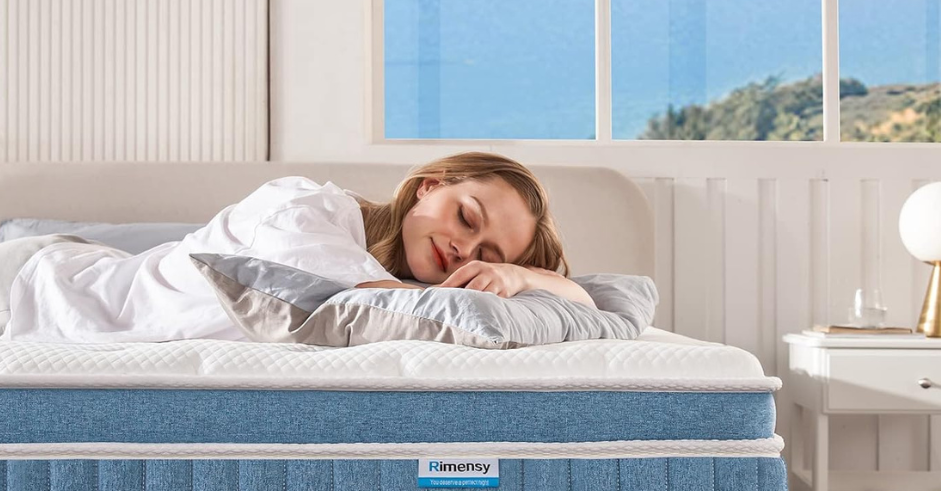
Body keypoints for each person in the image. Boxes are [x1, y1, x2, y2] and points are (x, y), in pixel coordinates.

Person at [0, 151, 593, 343]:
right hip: (38, 287)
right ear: (427, 187)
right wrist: (524, 285)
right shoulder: (303, 211)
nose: (466, 249)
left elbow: (594, 309)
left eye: (488, 255)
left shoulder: (411, 285)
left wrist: (527, 280)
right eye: (467, 218)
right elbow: (366, 307)